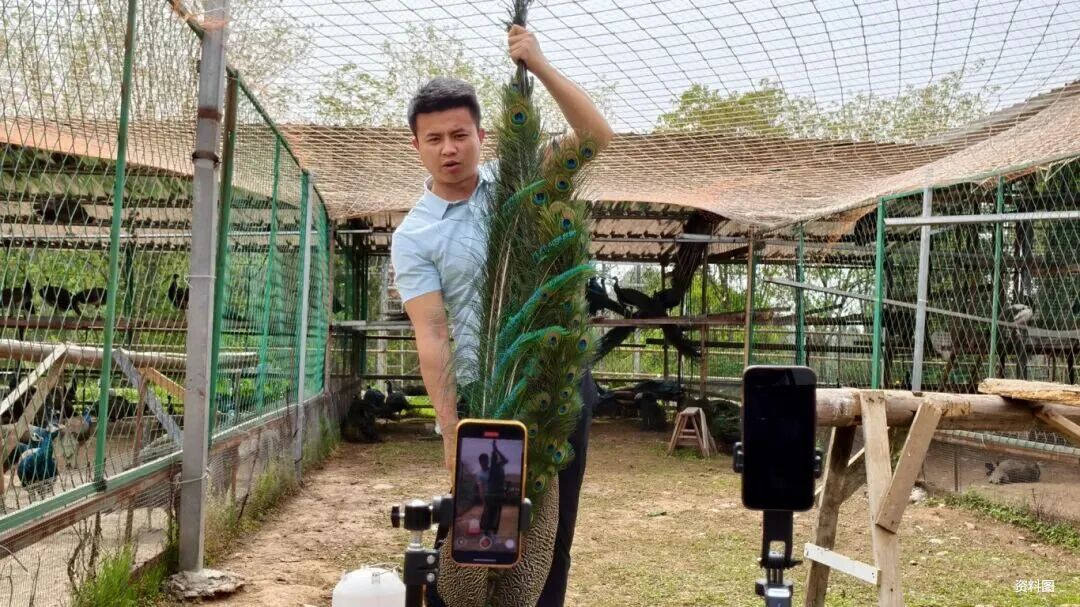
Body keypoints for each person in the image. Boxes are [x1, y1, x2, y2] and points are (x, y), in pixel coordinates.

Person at [390, 23, 612, 607]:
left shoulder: (522, 182)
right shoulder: (414, 236)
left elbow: (596, 135)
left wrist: (538, 64)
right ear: (416, 146)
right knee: (474, 537)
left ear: (482, 135)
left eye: (459, 134)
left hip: (556, 384)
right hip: (483, 397)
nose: (449, 148)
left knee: (548, 536)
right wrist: (449, 430)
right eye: (434, 138)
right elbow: (432, 334)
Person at [479, 440, 509, 539]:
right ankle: (489, 531)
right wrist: (496, 450)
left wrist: (496, 450)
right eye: (493, 457)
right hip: (494, 494)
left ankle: (490, 531)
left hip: (496, 494)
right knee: (493, 513)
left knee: (495, 513)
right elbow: (505, 460)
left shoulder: (496, 467)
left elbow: (505, 460)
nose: (493, 458)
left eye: (493, 457)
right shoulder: (495, 467)